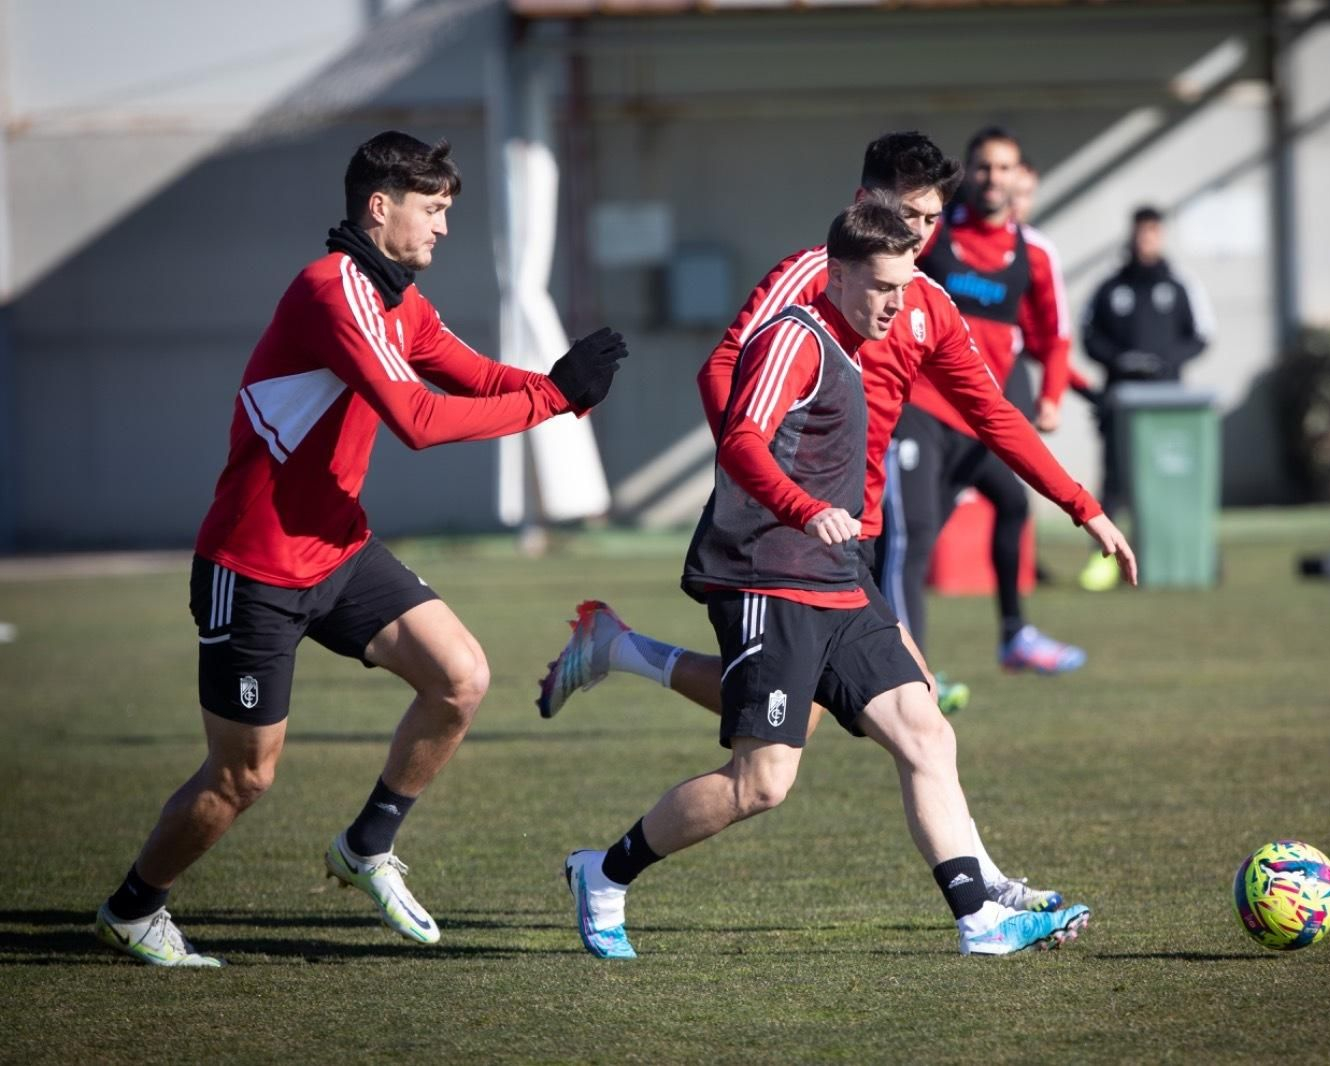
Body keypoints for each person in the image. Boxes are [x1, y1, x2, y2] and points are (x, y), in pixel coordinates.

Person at [540, 131, 1135, 916]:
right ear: (864, 207)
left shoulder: (924, 303)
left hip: (844, 541)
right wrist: (772, 489)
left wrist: (1083, 506)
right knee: (772, 767)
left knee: (904, 722)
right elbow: (720, 370)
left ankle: (981, 901)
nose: (923, 233)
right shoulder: (808, 282)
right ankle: (607, 862)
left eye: (932, 218)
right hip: (776, 548)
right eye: (909, 214)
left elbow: (993, 413)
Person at [92, 131, 630, 967]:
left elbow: (472, 375)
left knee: (461, 677)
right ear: (380, 208)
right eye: (434, 209)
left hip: (338, 550)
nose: (444, 228)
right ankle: (132, 910)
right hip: (253, 566)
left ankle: (365, 846)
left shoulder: (396, 297)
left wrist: (559, 388)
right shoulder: (331, 291)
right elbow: (416, 420)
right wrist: (552, 399)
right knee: (243, 779)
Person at [880, 127, 1092, 674]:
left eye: (1003, 168)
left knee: (1014, 505)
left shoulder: (1035, 251)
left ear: (1020, 177)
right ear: (966, 174)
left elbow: (1056, 334)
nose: (992, 178)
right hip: (923, 409)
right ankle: (909, 670)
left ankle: (1014, 636)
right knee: (914, 538)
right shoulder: (933, 235)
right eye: (982, 167)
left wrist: (1050, 397)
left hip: (983, 415)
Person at [1079, 205, 1214, 519]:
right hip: (1120, 397)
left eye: (1152, 232)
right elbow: (1088, 335)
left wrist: (1164, 363)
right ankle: (1104, 559)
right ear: (1132, 234)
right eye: (1141, 232)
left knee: (1168, 473)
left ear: (1161, 236)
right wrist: (1119, 361)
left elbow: (1202, 334)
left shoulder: (1181, 284)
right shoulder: (1110, 285)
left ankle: (1170, 549)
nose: (1146, 240)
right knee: (1115, 476)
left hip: (1166, 400)